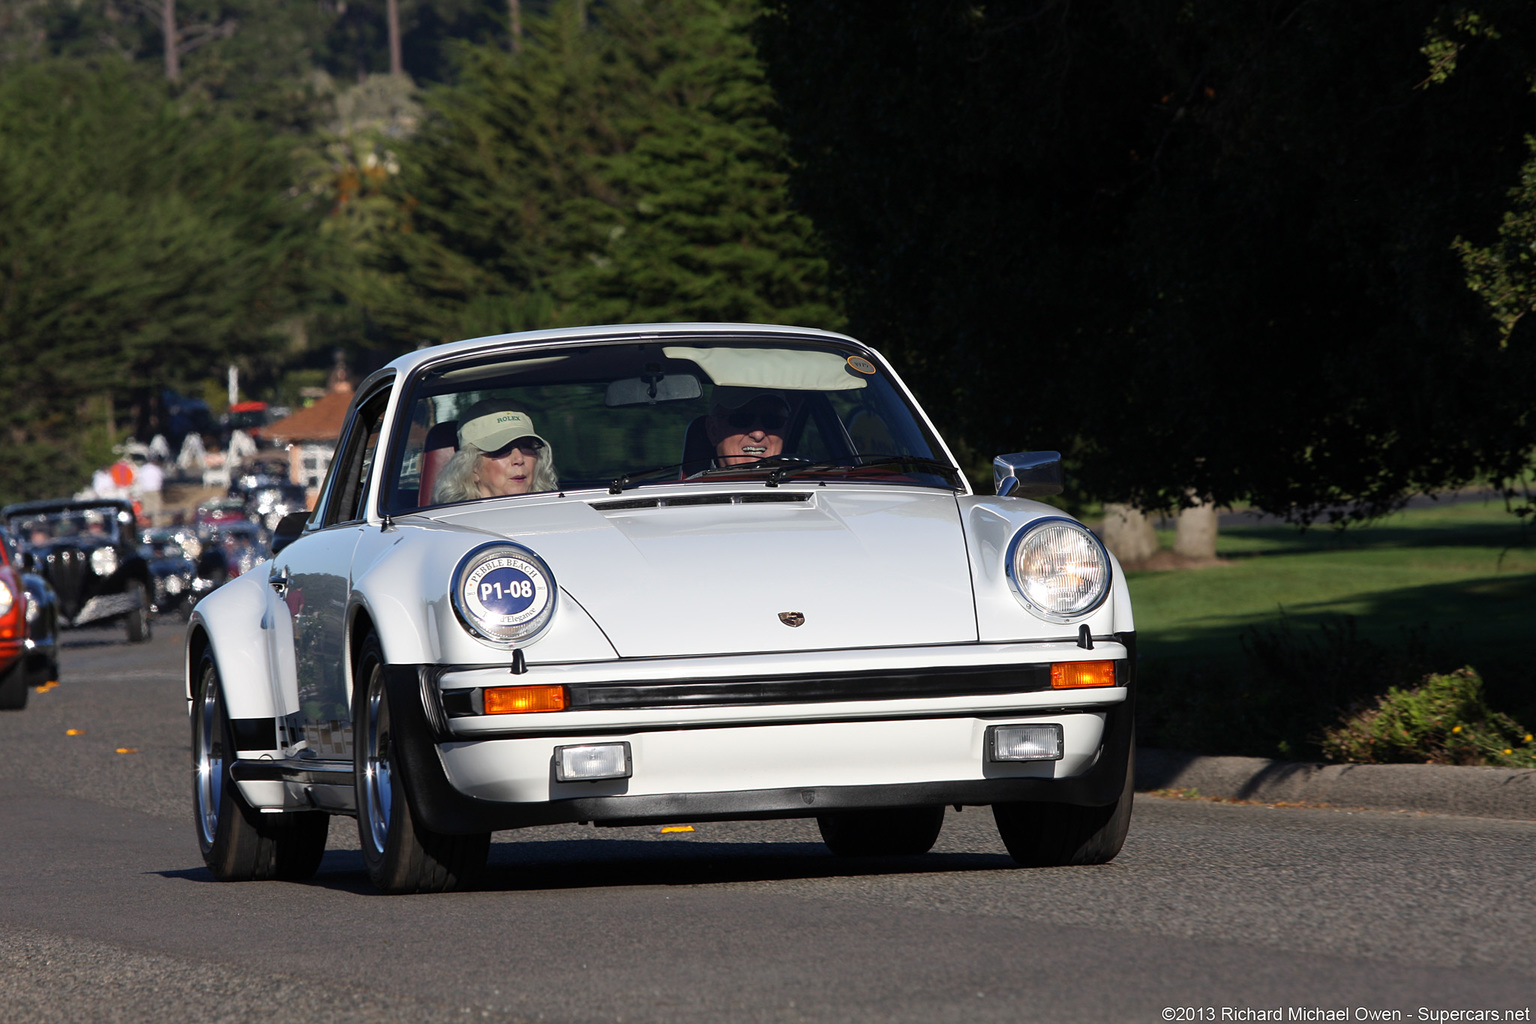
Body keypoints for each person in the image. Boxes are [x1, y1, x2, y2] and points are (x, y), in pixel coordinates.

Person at [432, 401, 559, 503]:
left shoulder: (558, 516)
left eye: (527, 446)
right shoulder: (455, 529)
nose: (519, 459)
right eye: (502, 449)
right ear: (472, 468)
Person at [705, 387, 791, 467]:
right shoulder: (694, 483)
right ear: (713, 431)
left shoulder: (801, 482)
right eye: (742, 419)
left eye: (772, 420)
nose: (758, 435)